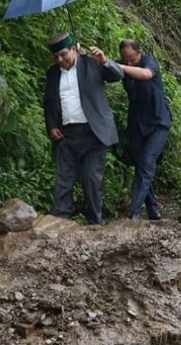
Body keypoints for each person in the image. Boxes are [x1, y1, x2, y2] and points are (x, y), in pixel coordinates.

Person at [42, 32, 125, 225]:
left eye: (64, 54)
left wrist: (104, 60)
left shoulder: (92, 63)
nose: (60, 60)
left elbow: (117, 75)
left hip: (93, 133)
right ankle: (60, 221)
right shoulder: (53, 74)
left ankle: (96, 221)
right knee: (64, 178)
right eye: (56, 57)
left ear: (73, 49)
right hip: (66, 134)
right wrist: (52, 125)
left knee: (91, 179)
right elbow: (49, 102)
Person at [118, 38, 172, 221]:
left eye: (132, 59)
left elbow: (145, 75)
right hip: (137, 124)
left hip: (158, 122)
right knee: (141, 166)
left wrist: (123, 68)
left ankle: (133, 211)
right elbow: (102, 66)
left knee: (148, 162)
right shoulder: (123, 64)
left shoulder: (150, 63)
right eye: (125, 60)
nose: (129, 63)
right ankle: (153, 209)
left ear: (139, 52)